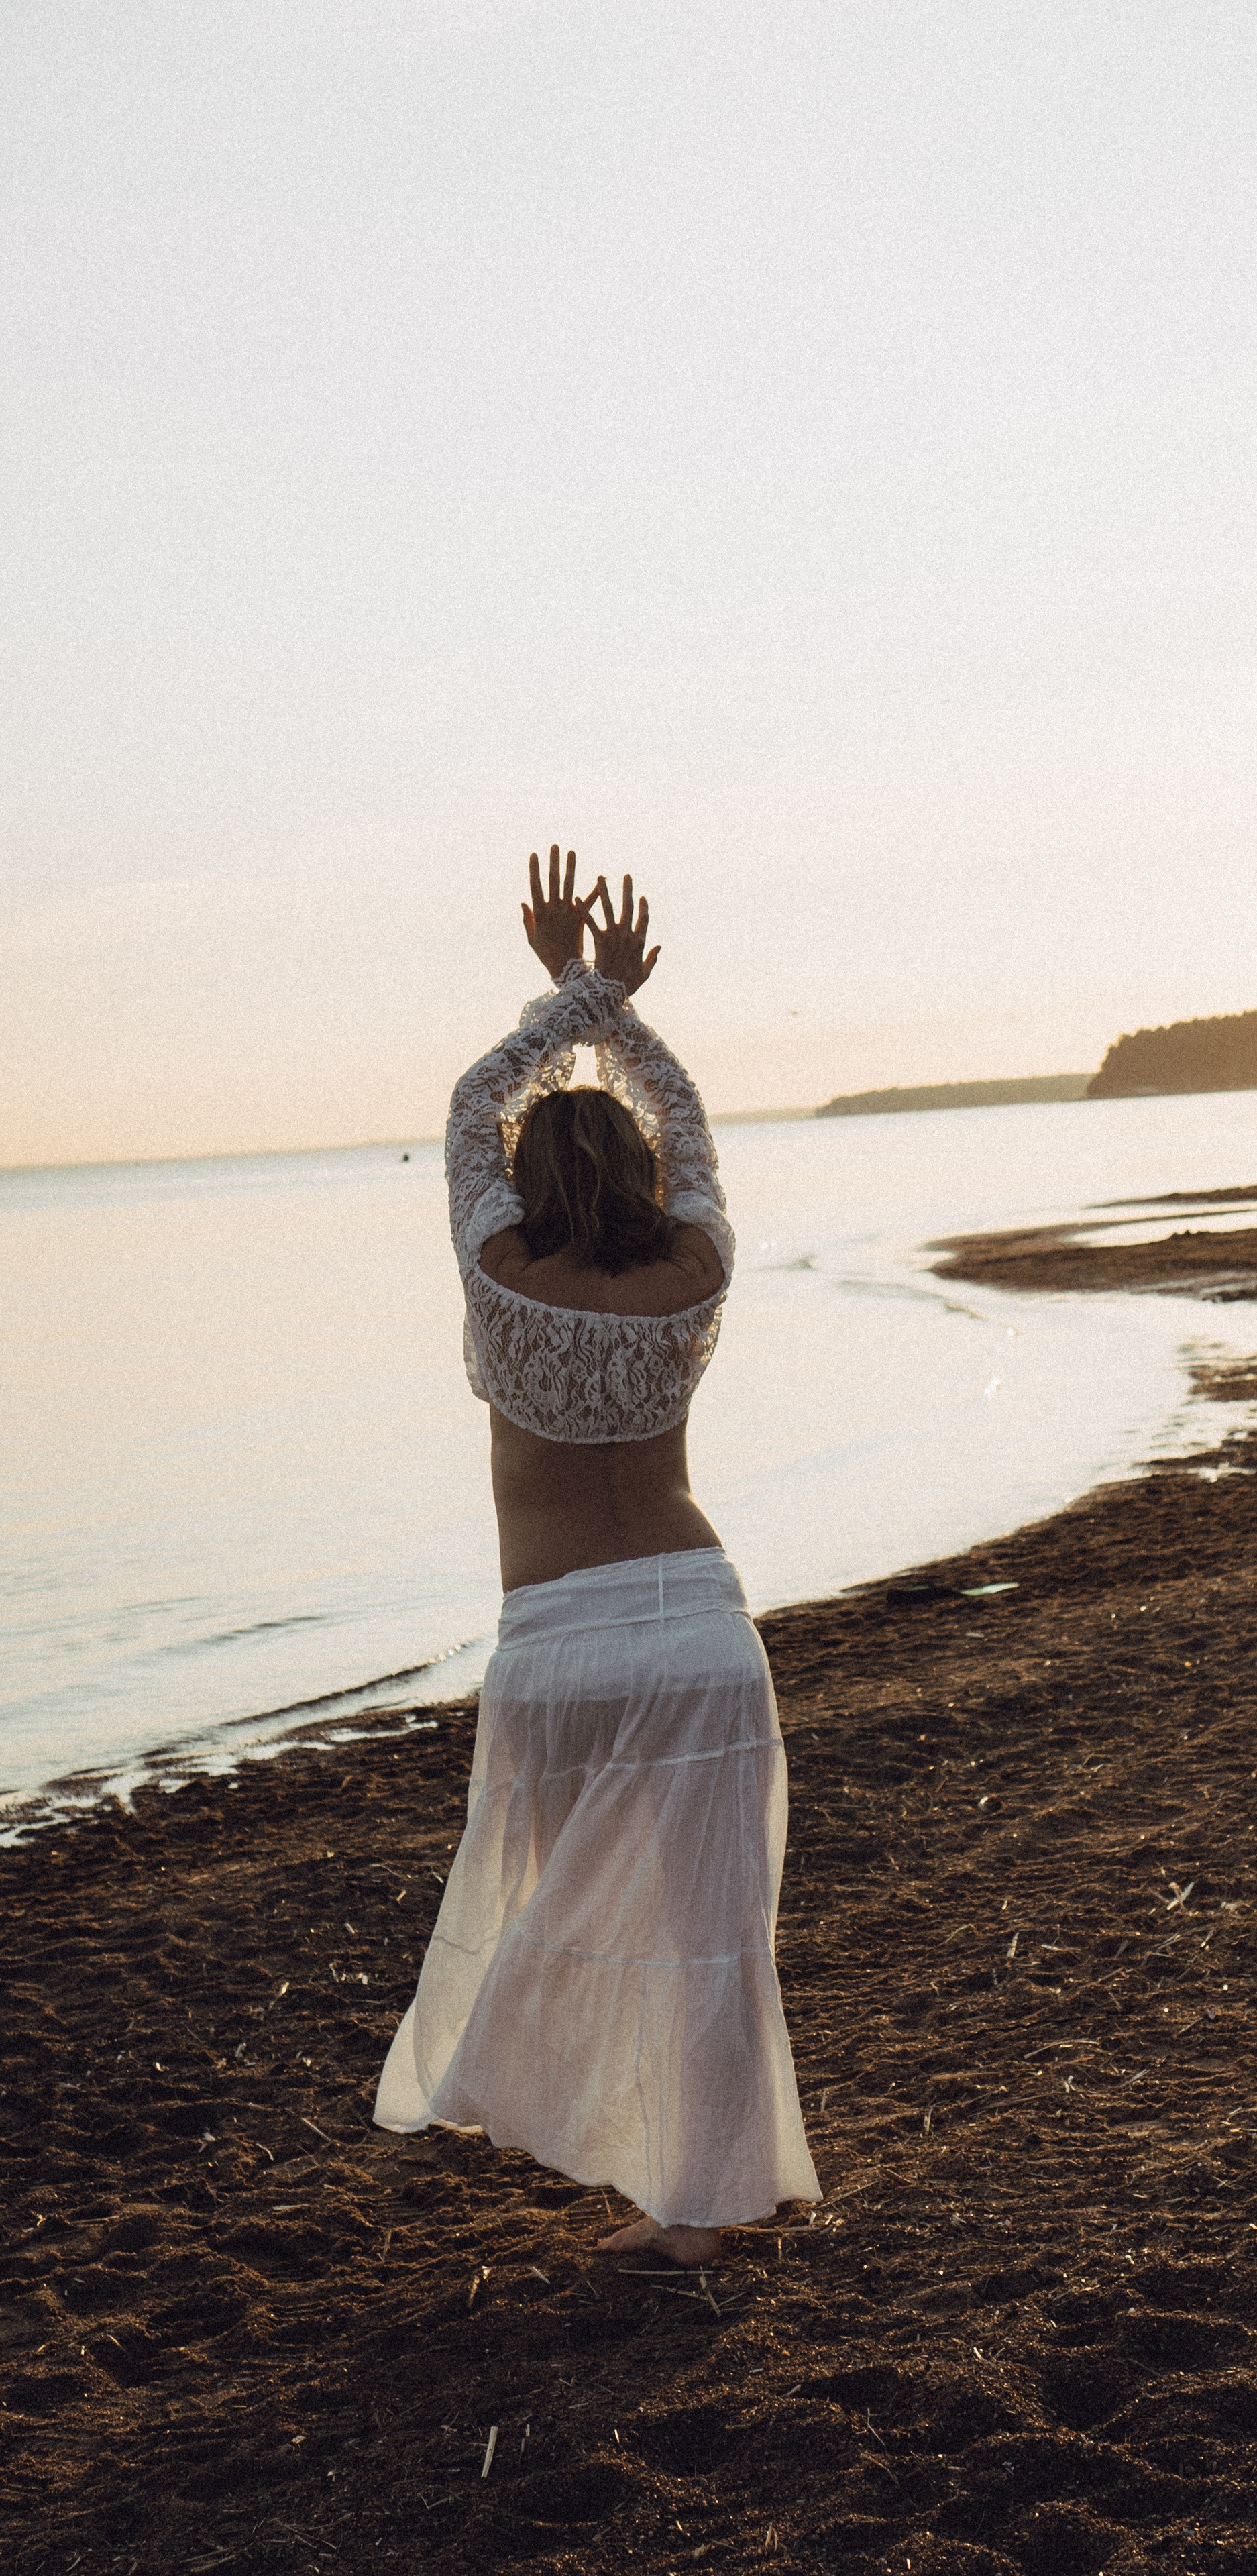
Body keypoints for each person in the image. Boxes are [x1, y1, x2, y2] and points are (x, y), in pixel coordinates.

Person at [374, 845, 820, 2267]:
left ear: (514, 1186)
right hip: (696, 1629)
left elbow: (466, 1107)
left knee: (590, 1930)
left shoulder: (499, 1277)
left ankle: (692, 2201)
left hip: (561, 1644)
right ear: (642, 1172)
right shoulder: (694, 1273)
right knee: (702, 1938)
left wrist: (567, 995)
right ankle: (710, 2195)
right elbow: (686, 1119)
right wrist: (615, 1007)